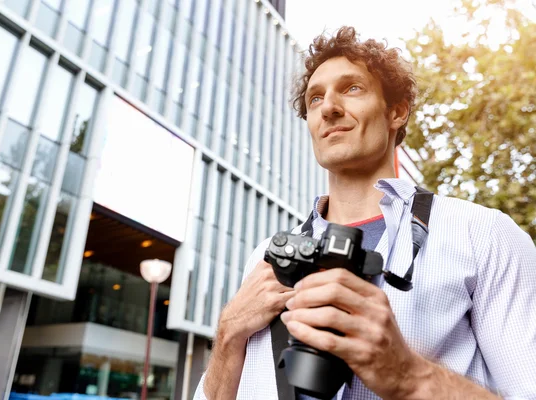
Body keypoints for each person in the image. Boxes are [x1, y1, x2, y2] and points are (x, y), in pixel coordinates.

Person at [193, 26, 536, 399]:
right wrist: (228, 332)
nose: (329, 107)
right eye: (315, 99)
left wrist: (410, 376)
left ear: (397, 112)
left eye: (352, 88)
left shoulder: (483, 234)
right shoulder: (264, 258)